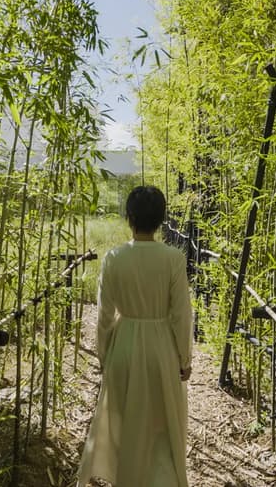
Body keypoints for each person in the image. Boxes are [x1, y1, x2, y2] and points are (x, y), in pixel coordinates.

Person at [77, 185, 193, 487]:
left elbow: (104, 316)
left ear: (129, 217)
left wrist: (105, 355)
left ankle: (127, 479)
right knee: (163, 425)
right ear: (161, 219)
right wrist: (185, 358)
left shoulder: (114, 258)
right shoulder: (173, 258)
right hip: (162, 347)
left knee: (126, 422)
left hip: (124, 345)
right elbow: (182, 314)